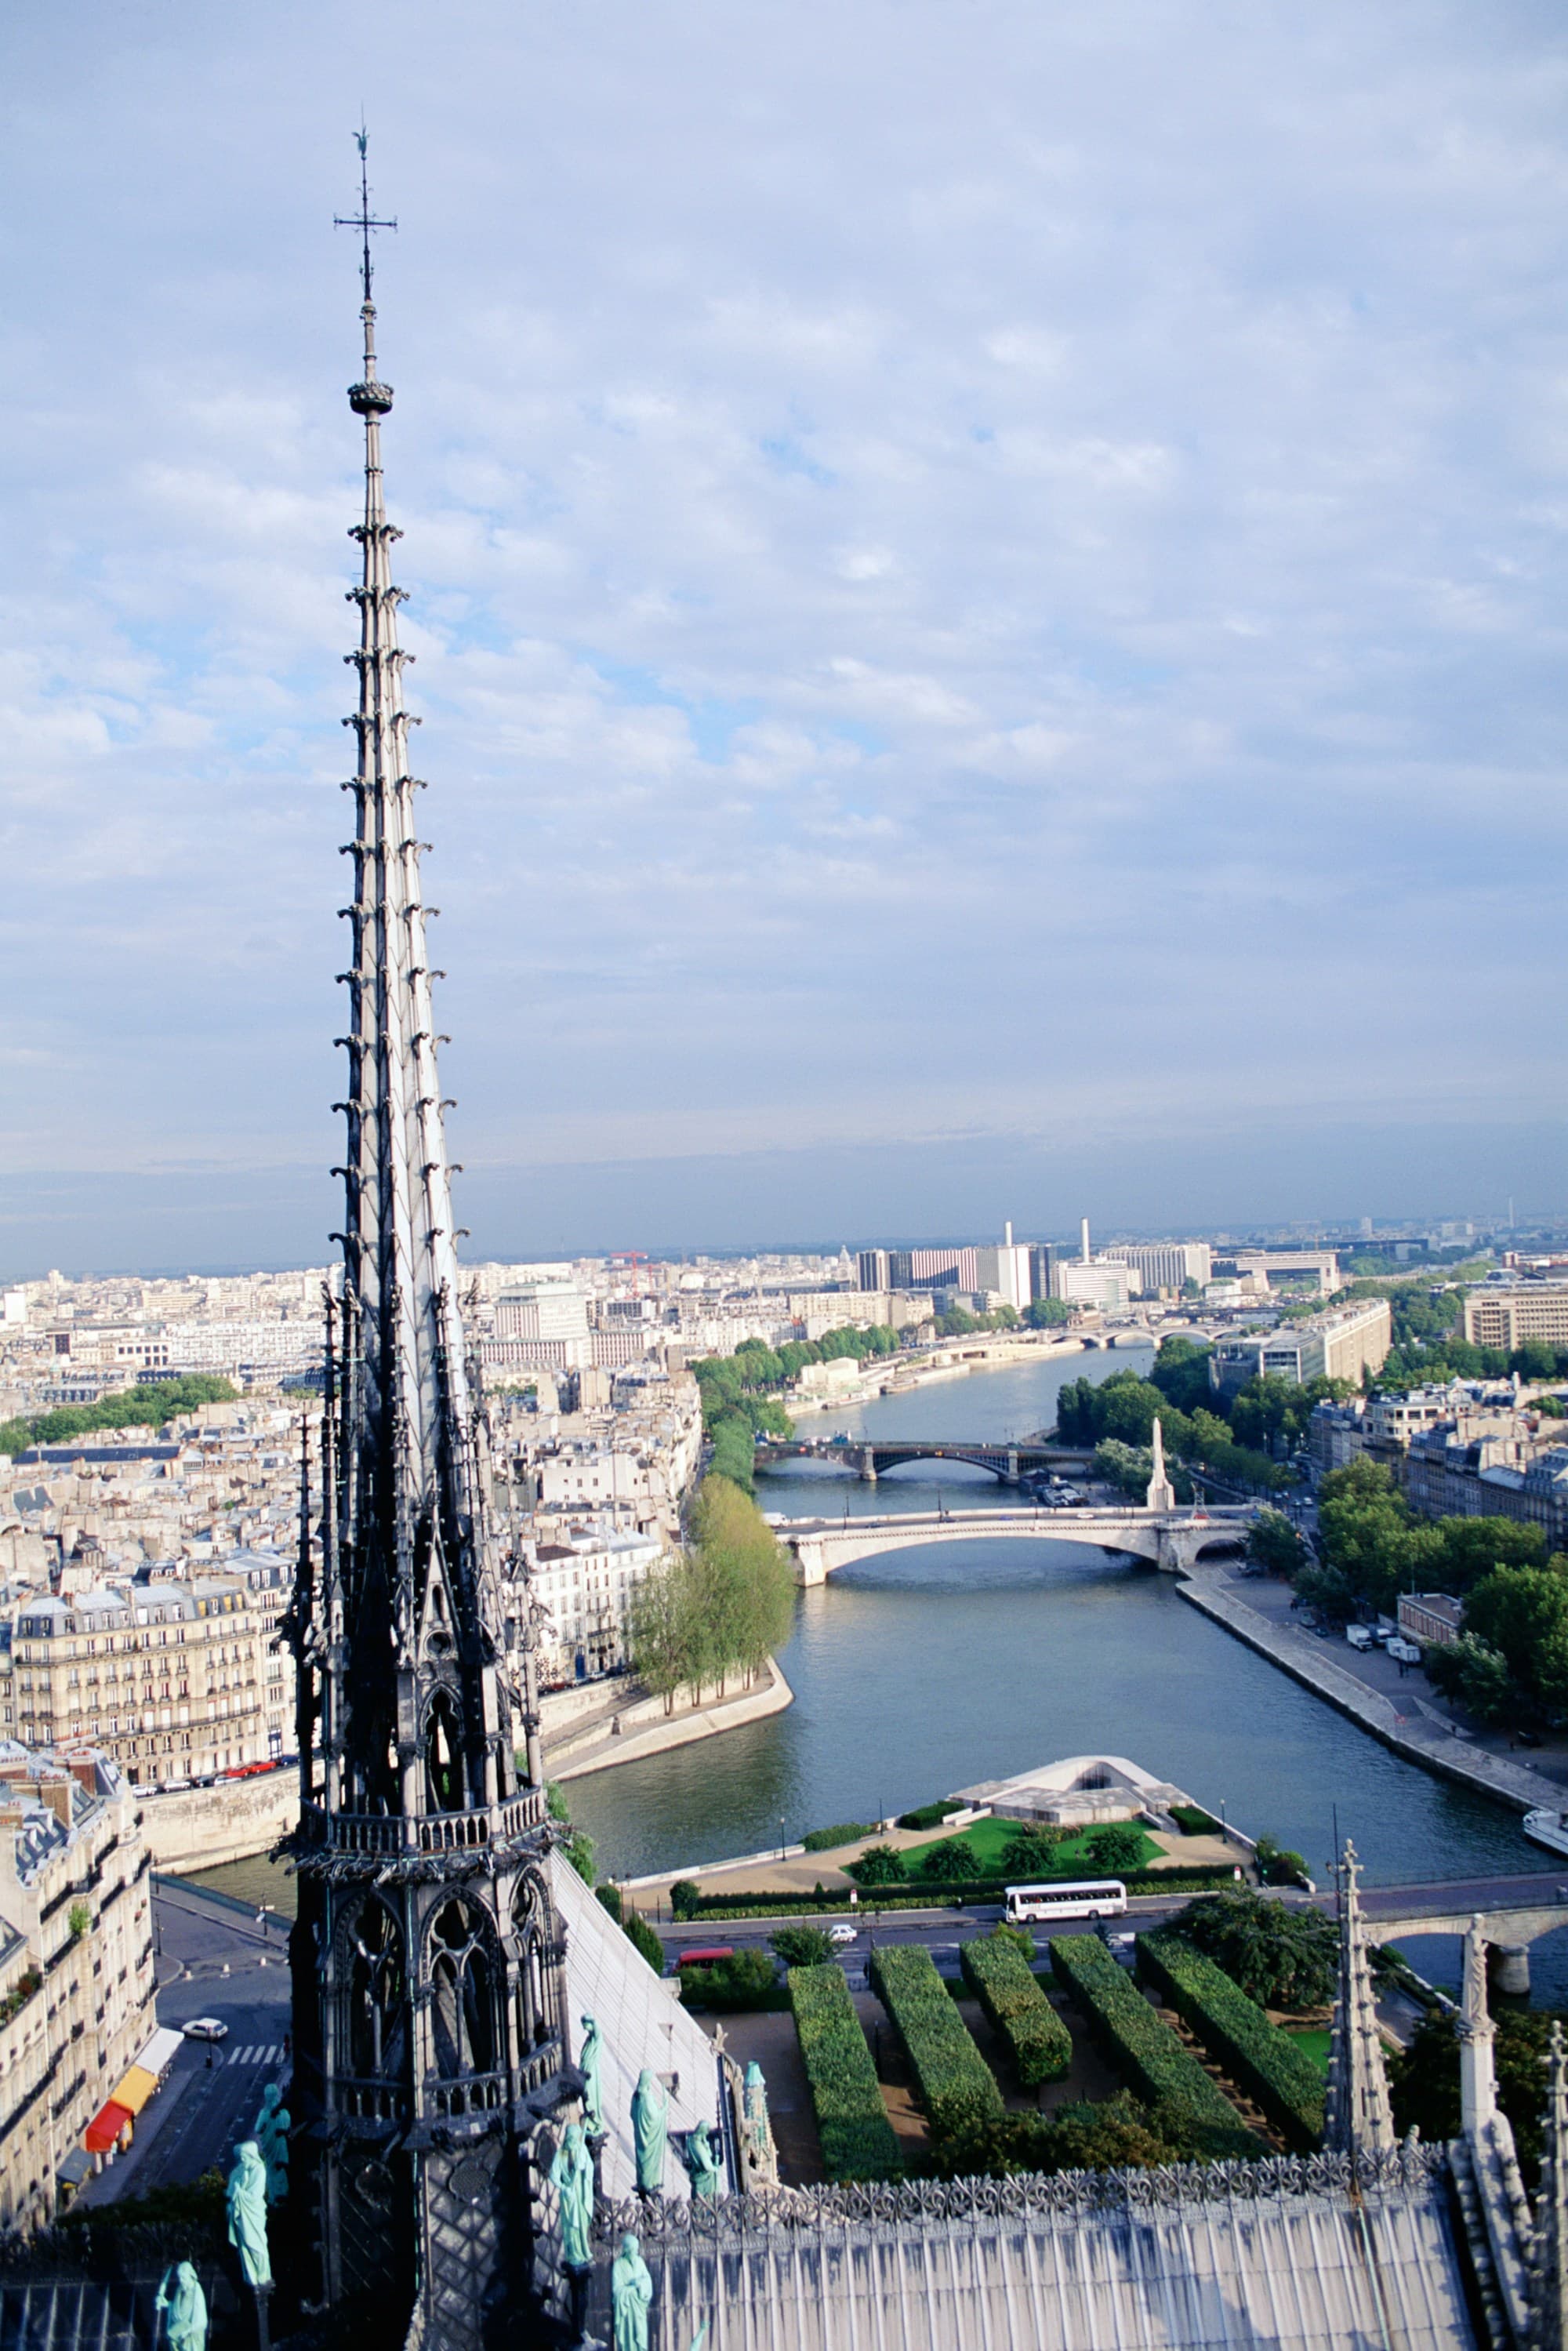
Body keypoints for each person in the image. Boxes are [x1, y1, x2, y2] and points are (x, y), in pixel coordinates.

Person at [548, 2120, 594, 2270]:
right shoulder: (560, 2154)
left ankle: (584, 2249)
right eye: (572, 2139)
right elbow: (553, 2175)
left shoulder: (582, 2150)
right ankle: (574, 2253)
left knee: (583, 2222)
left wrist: (584, 2167)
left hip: (581, 2193)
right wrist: (563, 2187)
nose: (574, 2142)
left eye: (576, 2139)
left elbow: (590, 2167)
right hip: (569, 2197)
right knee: (571, 2227)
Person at [225, 2141, 271, 2290]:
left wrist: (239, 2191)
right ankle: (251, 2275)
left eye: (244, 2158)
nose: (242, 2161)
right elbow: (230, 2191)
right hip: (242, 2216)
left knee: (257, 2246)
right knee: (244, 2246)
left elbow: (255, 2195)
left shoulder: (259, 2170)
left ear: (251, 2156)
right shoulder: (241, 2171)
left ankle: (263, 2276)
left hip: (253, 2215)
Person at [611, 2229, 654, 2351]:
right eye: (633, 2250)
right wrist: (633, 2289)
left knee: (641, 2336)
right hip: (626, 2311)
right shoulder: (618, 2265)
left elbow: (647, 2281)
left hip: (639, 2310)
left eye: (636, 2249)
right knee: (628, 2339)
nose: (636, 2252)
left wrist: (639, 2284)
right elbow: (617, 2290)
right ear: (627, 2250)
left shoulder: (640, 2262)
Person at [154, 2260, 208, 2351]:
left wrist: (188, 2331)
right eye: (179, 2278)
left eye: (183, 2278)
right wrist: (167, 2304)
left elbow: (201, 2319)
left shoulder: (196, 2289)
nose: (181, 2281)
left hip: (191, 2334)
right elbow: (177, 2309)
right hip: (179, 2330)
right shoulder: (179, 2289)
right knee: (172, 2339)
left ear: (190, 2276)